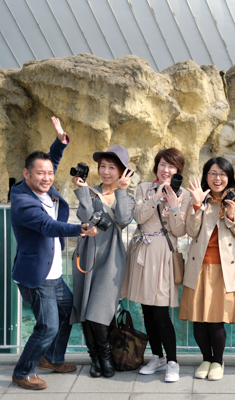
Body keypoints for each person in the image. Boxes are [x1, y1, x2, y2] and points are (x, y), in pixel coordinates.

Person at [10, 117, 99, 390]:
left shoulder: (43, 186)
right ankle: (23, 371)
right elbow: (48, 226)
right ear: (26, 174)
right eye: (40, 173)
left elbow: (52, 163)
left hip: (55, 273)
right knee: (47, 326)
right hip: (38, 276)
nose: (47, 177)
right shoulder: (23, 201)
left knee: (66, 311)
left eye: (49, 173)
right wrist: (80, 229)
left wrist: (61, 143)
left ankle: (51, 357)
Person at [121, 148, 190, 383]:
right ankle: (157, 356)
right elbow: (138, 217)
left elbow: (180, 231)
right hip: (142, 253)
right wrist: (155, 198)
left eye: (171, 166)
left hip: (163, 254)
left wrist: (173, 206)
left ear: (178, 170)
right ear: (156, 166)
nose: (166, 170)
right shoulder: (144, 188)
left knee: (161, 311)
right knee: (147, 311)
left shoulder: (185, 195)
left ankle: (173, 362)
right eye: (162, 164)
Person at [180, 157, 235, 381]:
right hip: (199, 266)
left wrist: (231, 213)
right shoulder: (198, 198)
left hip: (224, 270)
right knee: (199, 319)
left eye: (222, 174)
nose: (217, 178)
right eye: (212, 173)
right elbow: (191, 231)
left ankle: (218, 361)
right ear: (205, 176)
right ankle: (206, 359)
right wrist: (197, 205)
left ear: (229, 177)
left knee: (216, 320)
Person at [70, 145, 135, 378]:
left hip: (111, 259)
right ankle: (95, 359)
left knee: (100, 308)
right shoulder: (91, 190)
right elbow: (84, 217)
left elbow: (124, 219)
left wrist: (120, 191)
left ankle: (106, 357)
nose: (106, 172)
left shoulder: (127, 196)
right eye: (103, 166)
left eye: (111, 167)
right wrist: (84, 190)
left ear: (122, 172)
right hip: (86, 255)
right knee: (85, 307)